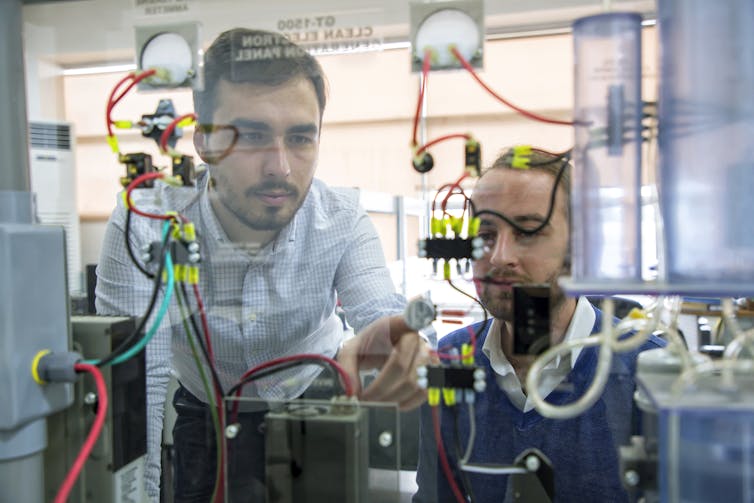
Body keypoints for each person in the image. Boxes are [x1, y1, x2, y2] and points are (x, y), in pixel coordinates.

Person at [96, 28, 429, 501]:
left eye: (299, 138)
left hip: (313, 400)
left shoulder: (340, 218)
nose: (281, 168)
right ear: (204, 142)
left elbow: (380, 308)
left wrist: (400, 342)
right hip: (206, 408)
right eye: (251, 136)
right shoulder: (146, 220)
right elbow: (136, 383)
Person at [413, 147, 665, 503]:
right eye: (486, 235)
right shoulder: (451, 360)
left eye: (528, 232)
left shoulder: (650, 372)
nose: (500, 257)